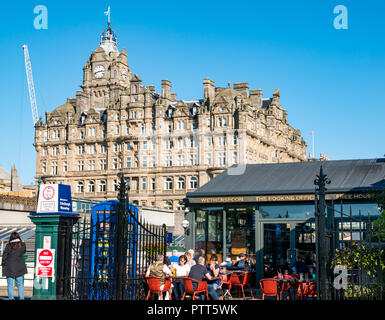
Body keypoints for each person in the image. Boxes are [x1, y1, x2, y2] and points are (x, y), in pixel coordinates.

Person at [1, 232, 27, 300]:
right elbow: (24, 251)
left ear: (11, 237)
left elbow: (4, 256)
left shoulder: (8, 245)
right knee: (20, 285)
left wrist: (3, 264)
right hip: (19, 267)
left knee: (10, 285)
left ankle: (11, 298)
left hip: (9, 268)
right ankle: (21, 298)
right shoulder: (22, 244)